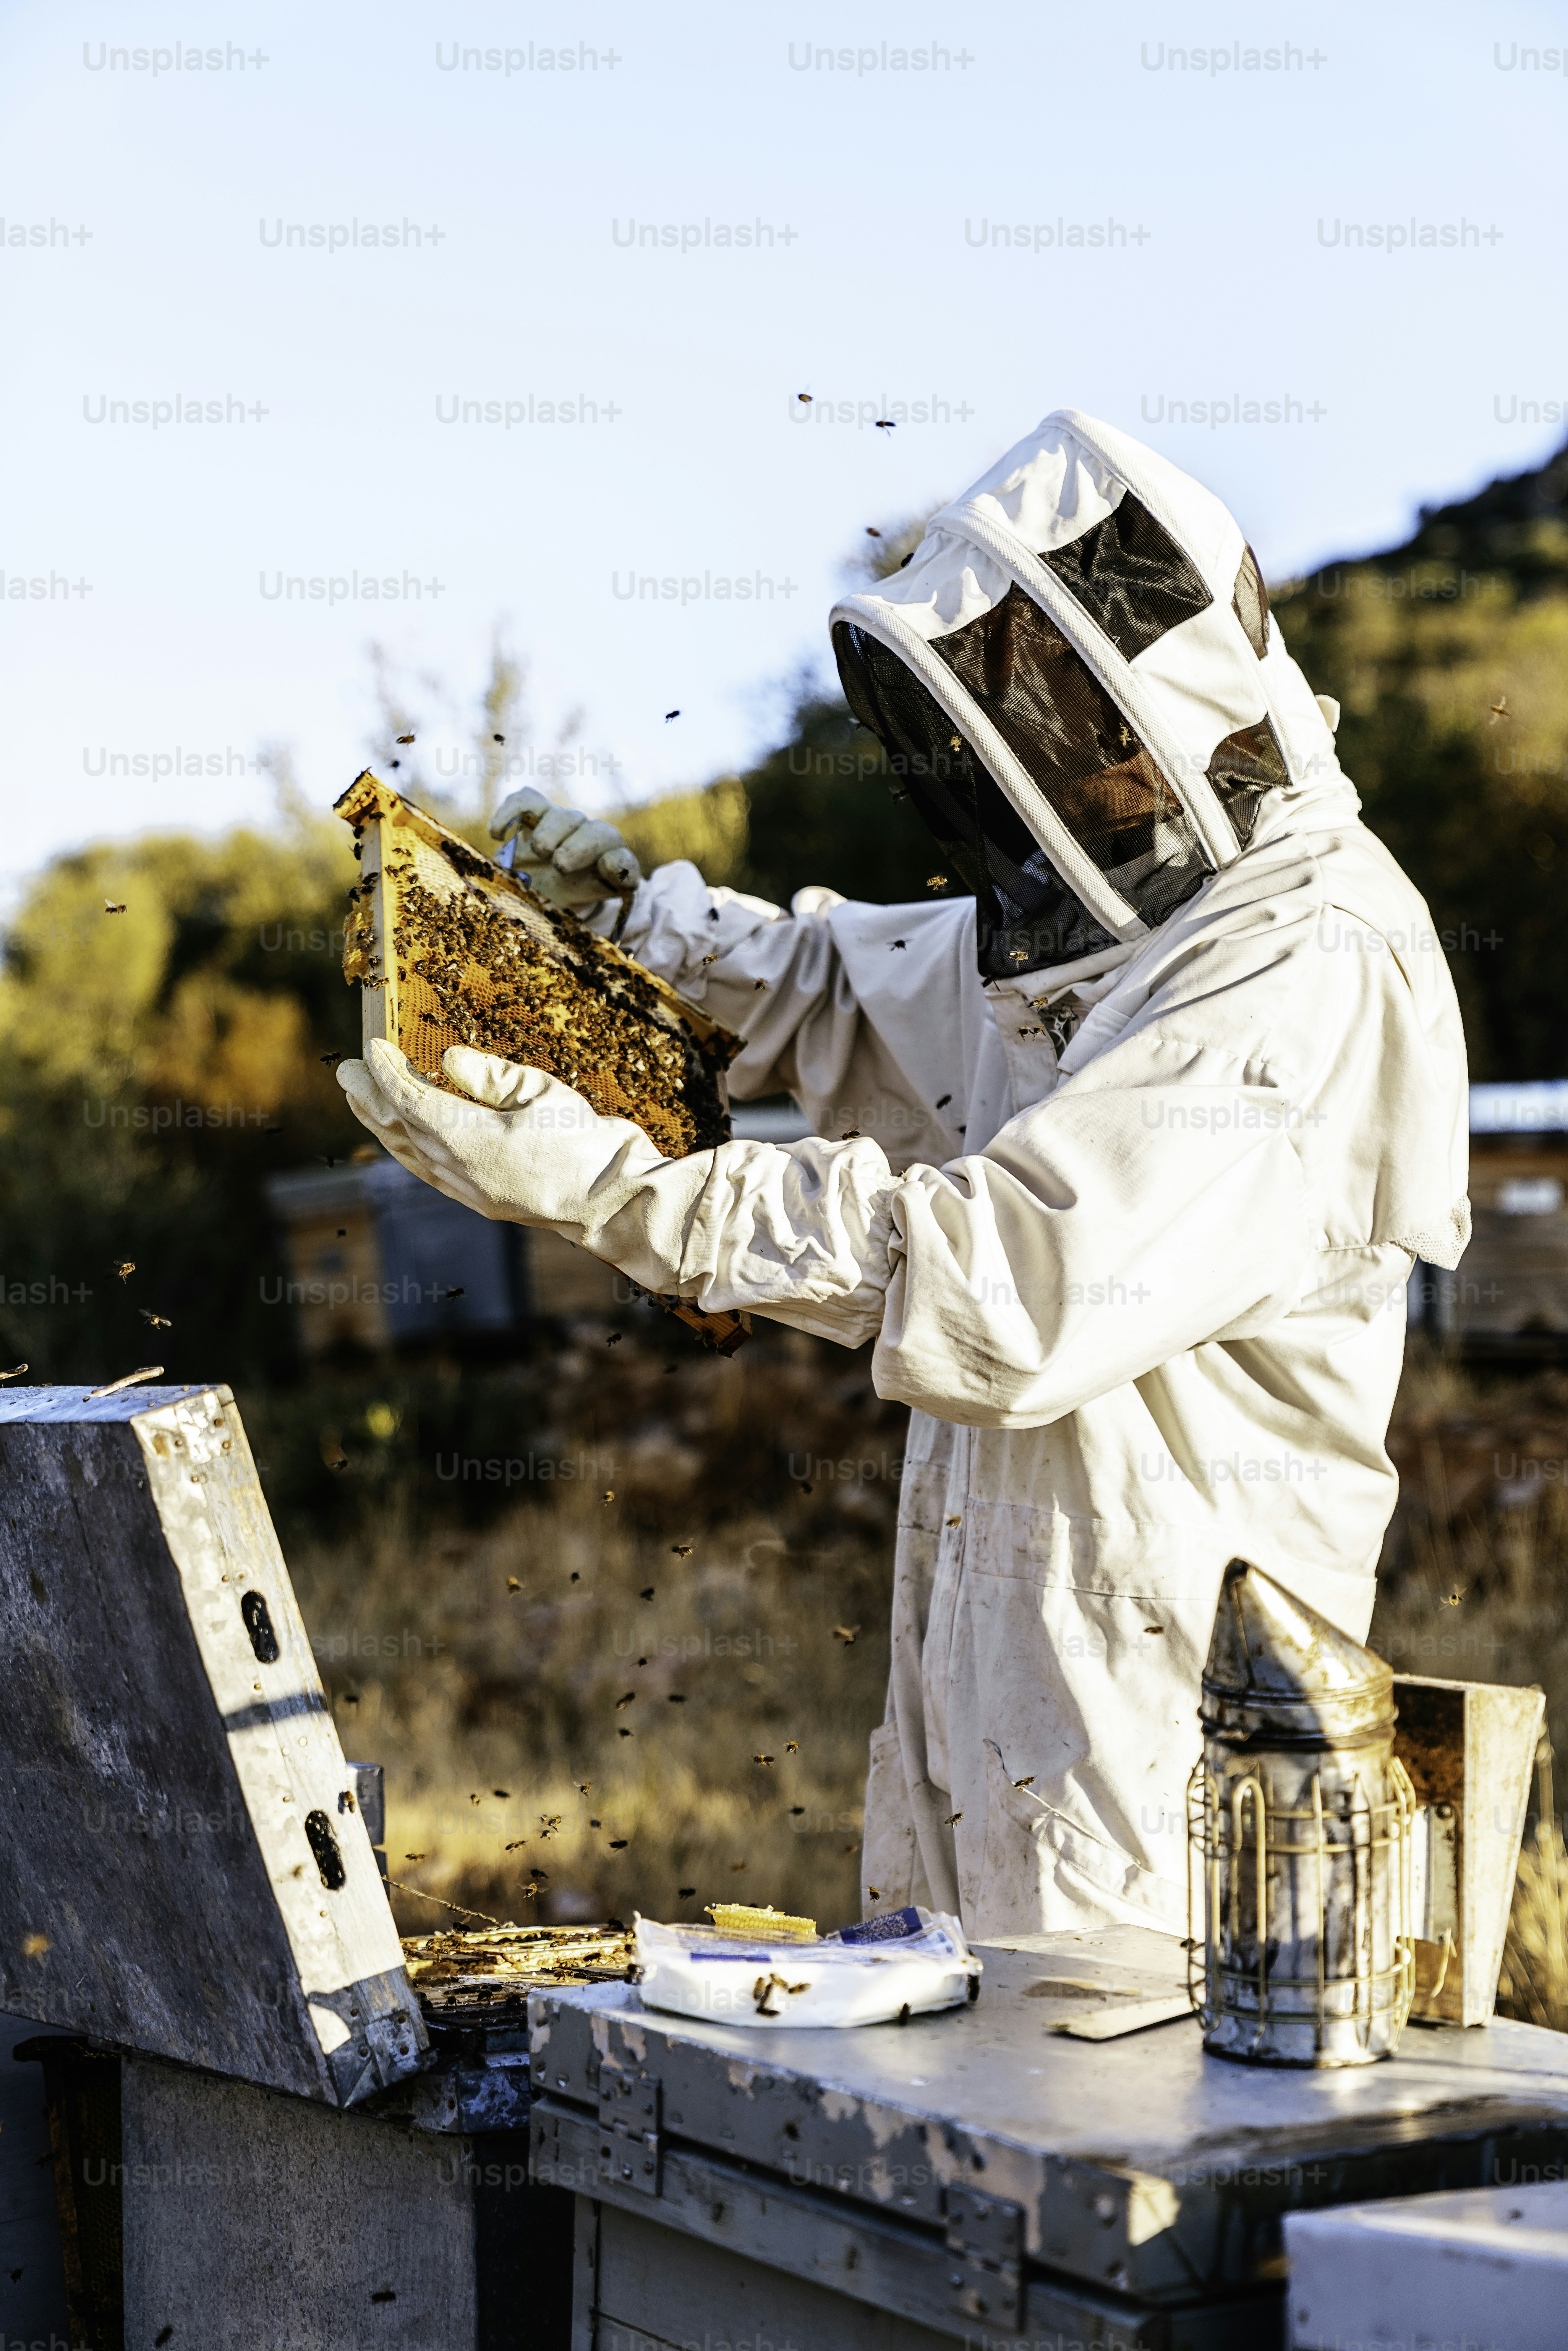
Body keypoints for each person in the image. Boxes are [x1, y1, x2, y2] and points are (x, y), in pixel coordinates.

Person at [340, 410, 1469, 1941]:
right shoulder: (1119, 929)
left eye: (1051, 716)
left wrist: (619, 1193)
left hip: (1169, 1758)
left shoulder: (1300, 962)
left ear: (1156, 709)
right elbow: (860, 991)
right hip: (1020, 1693)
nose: (1023, 764)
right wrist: (646, 931)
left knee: (1116, 2076)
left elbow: (1006, 1285)